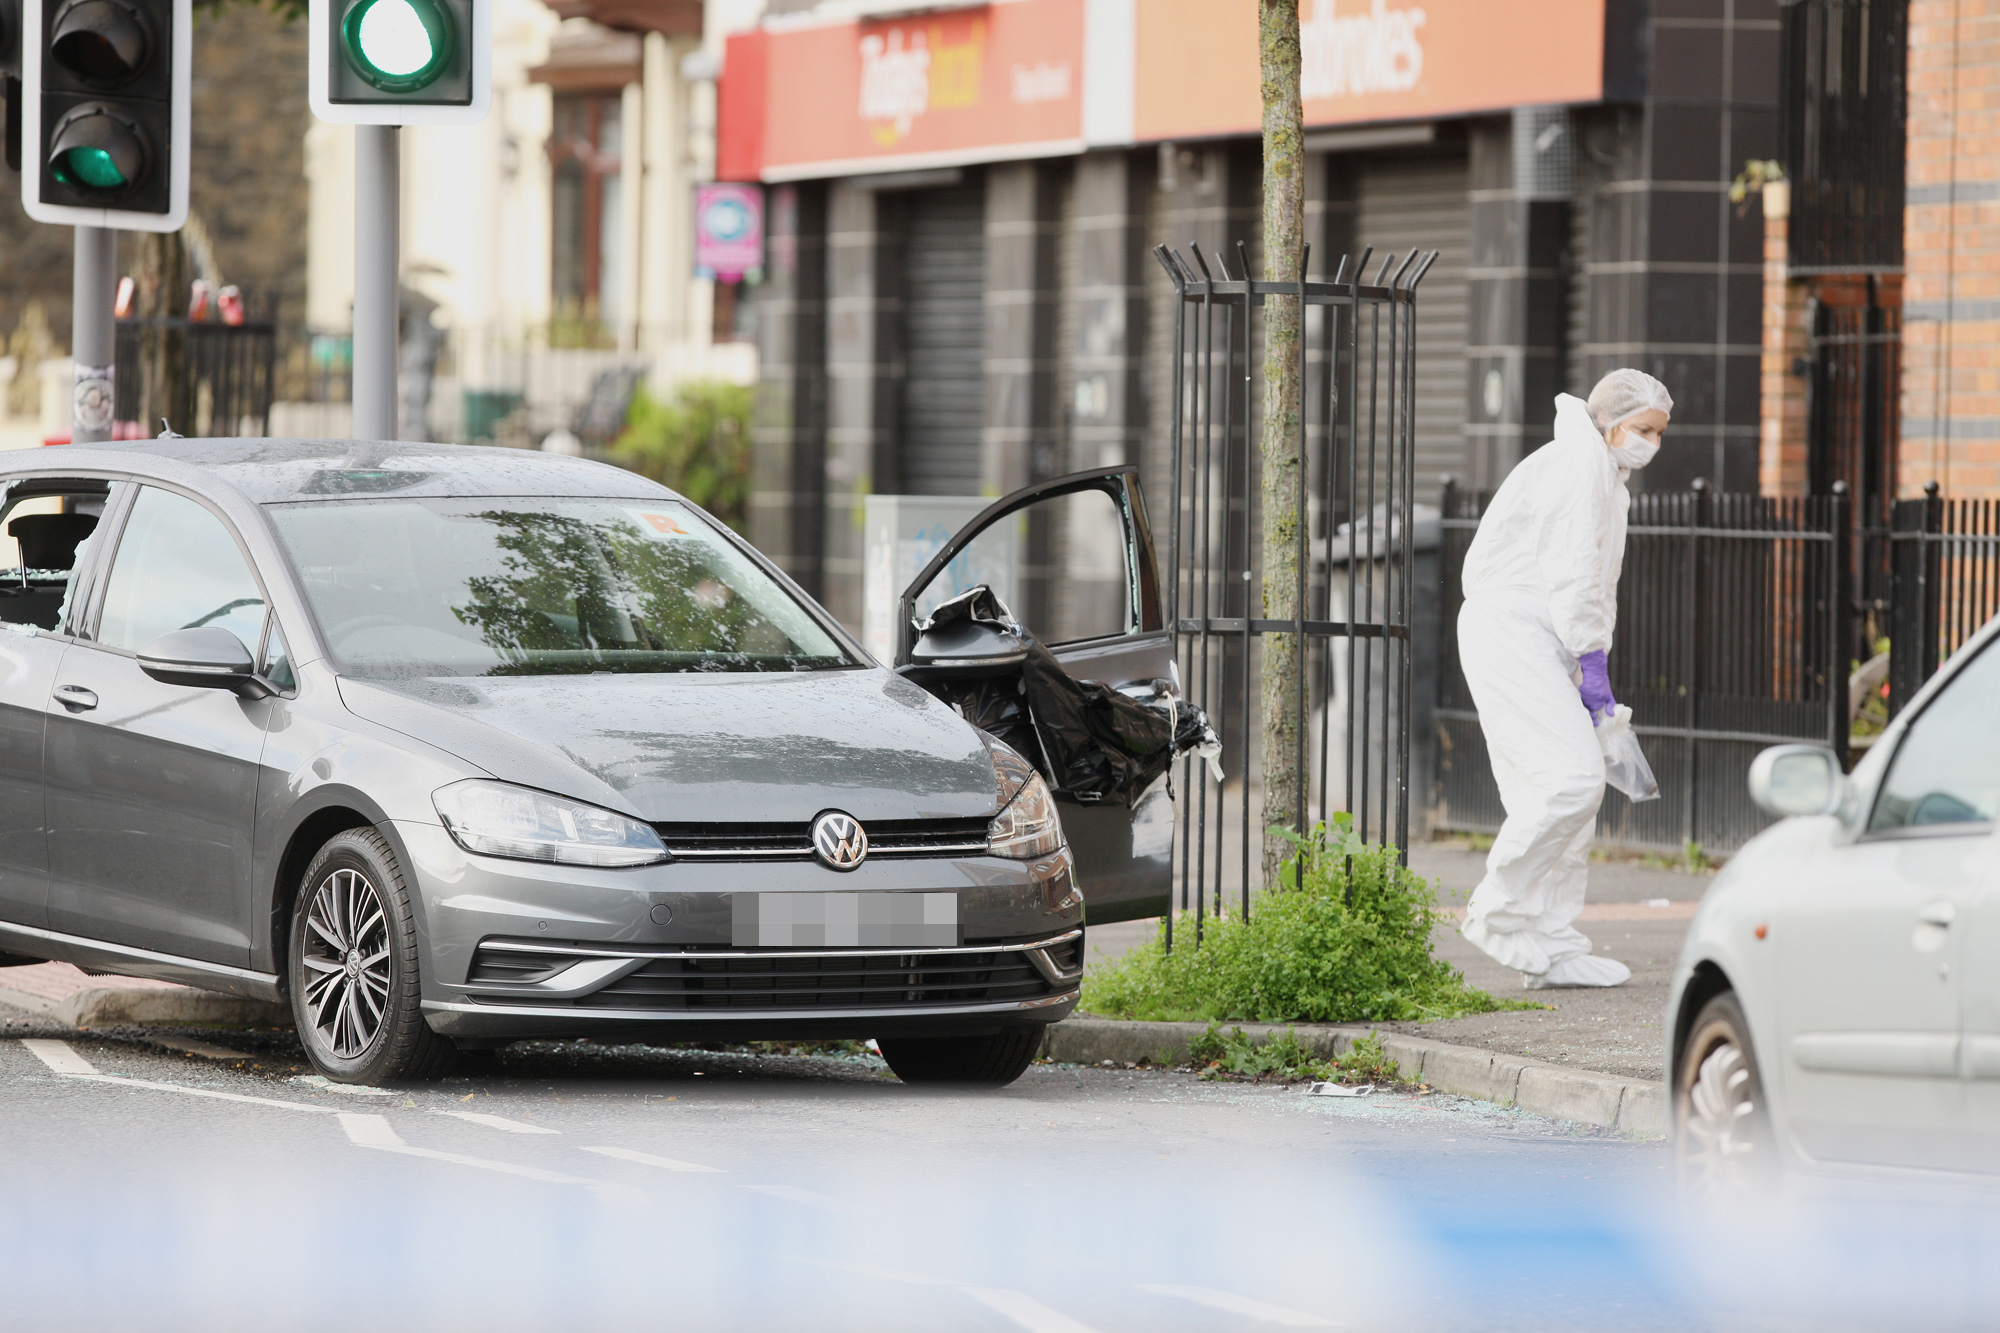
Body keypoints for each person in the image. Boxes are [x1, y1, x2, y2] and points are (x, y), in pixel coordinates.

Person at [1455, 369, 1672, 987]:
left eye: (1660, 434)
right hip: (1514, 631)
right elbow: (1576, 576)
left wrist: (1586, 660)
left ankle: (1551, 941)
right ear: (1610, 422)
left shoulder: (1605, 476)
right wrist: (1593, 661)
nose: (1653, 444)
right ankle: (1499, 909)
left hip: (1543, 639)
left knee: (1571, 790)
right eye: (1646, 430)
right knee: (1570, 779)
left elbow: (1593, 585)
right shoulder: (1578, 467)